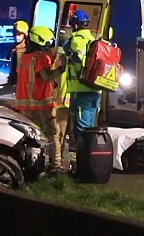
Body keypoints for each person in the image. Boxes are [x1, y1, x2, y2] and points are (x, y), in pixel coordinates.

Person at [14, 26, 65, 171]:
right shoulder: (40, 57)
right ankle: (55, 165)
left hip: (25, 105)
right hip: (42, 104)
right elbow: (46, 76)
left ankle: (34, 165)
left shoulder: (24, 57)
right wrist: (60, 69)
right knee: (52, 133)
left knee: (33, 136)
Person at [64, 10, 100, 144]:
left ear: (75, 26)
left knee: (82, 128)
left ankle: (83, 157)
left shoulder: (76, 40)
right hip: (96, 90)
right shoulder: (93, 39)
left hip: (81, 89)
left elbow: (79, 62)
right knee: (90, 126)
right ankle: (91, 154)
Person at [7, 20, 29, 86]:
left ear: (25, 35)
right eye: (15, 34)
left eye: (19, 34)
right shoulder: (14, 49)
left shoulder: (29, 51)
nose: (16, 36)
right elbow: (13, 70)